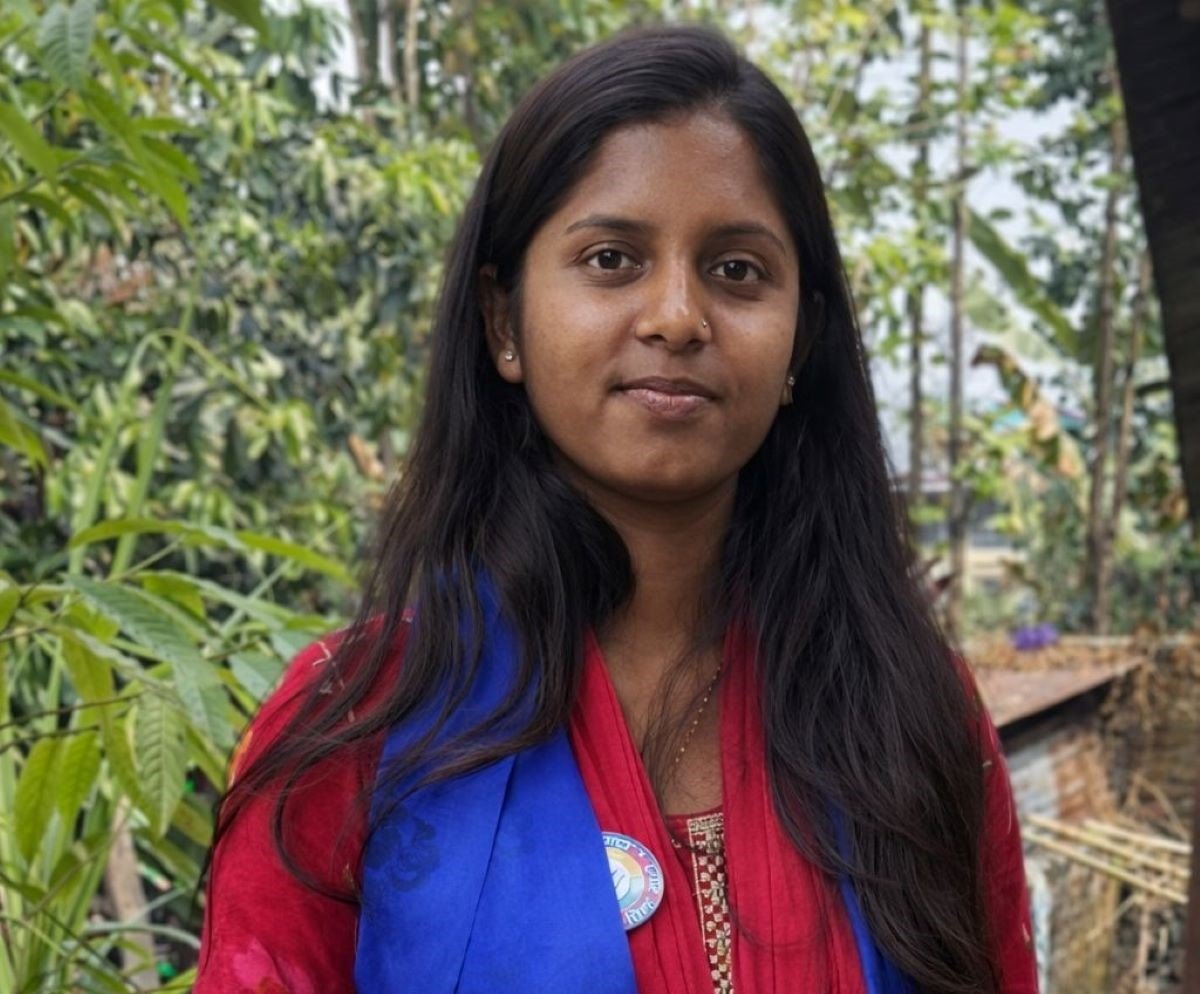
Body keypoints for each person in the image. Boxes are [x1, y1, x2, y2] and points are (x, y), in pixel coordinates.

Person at [195, 22, 1038, 994]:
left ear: (800, 340)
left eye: (737, 270)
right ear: (504, 321)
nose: (677, 316)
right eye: (610, 258)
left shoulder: (908, 714)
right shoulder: (357, 726)